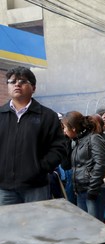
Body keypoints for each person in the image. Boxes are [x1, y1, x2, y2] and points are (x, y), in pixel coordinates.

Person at [0, 66, 67, 205]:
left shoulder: (47, 116)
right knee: (7, 226)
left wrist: (40, 168)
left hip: (36, 187)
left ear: (33, 88)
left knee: (36, 226)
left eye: (23, 81)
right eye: (12, 82)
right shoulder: (1, 115)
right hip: (4, 189)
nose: (17, 84)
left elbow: (59, 147)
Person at [61, 111, 105, 221]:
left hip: (93, 191)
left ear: (73, 128)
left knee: (95, 228)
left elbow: (102, 163)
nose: (63, 131)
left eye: (64, 127)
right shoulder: (77, 142)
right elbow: (66, 165)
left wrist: (92, 189)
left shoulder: (94, 138)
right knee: (85, 227)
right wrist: (67, 141)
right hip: (81, 191)